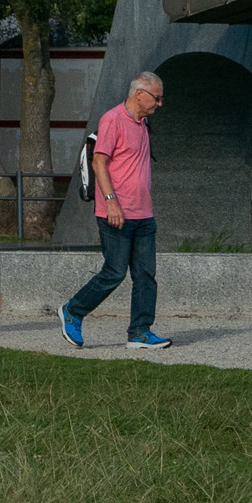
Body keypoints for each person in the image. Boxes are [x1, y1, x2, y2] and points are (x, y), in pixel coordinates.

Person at [62, 71, 171, 349]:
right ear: (139, 94)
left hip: (144, 214)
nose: (160, 104)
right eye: (156, 98)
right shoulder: (113, 119)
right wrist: (111, 201)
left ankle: (140, 331)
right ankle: (73, 311)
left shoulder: (143, 123)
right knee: (114, 272)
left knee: (146, 275)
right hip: (116, 212)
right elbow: (99, 161)